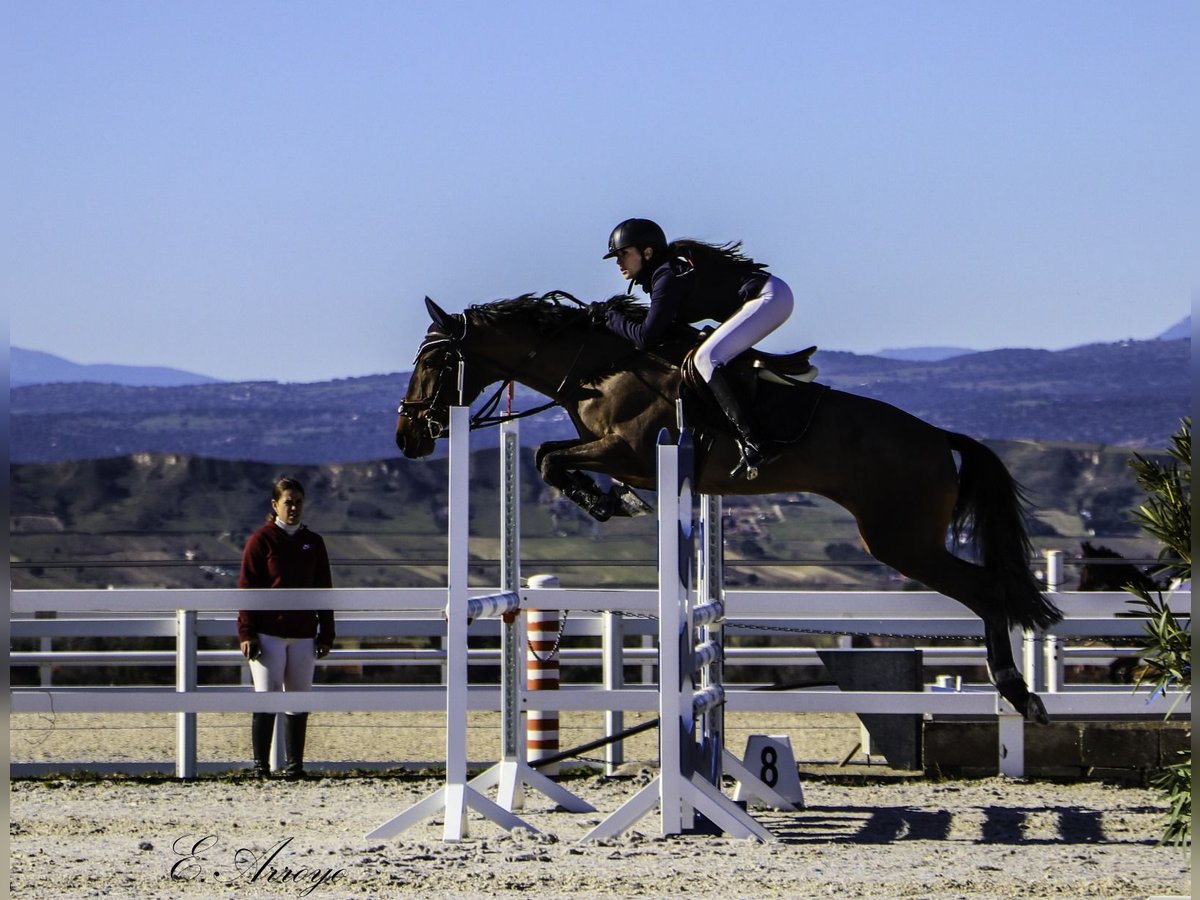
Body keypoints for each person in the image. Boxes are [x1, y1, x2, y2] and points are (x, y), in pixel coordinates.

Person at [598, 217, 795, 479]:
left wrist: (612, 319)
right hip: (768, 296)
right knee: (705, 354)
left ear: (647, 252)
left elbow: (646, 337)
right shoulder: (666, 272)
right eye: (616, 256)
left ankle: (756, 441)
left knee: (708, 358)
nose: (619, 262)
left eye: (624, 253)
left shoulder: (667, 275)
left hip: (768, 298)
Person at [237, 476, 335, 778]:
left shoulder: (314, 543)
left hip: (304, 633)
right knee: (266, 697)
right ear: (275, 505)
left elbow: (324, 588)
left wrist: (326, 632)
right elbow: (247, 587)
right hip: (269, 634)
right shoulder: (261, 540)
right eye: (287, 502)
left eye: (298, 502)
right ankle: (261, 766)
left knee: (299, 698)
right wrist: (247, 632)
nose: (293, 508)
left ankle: (295, 766)